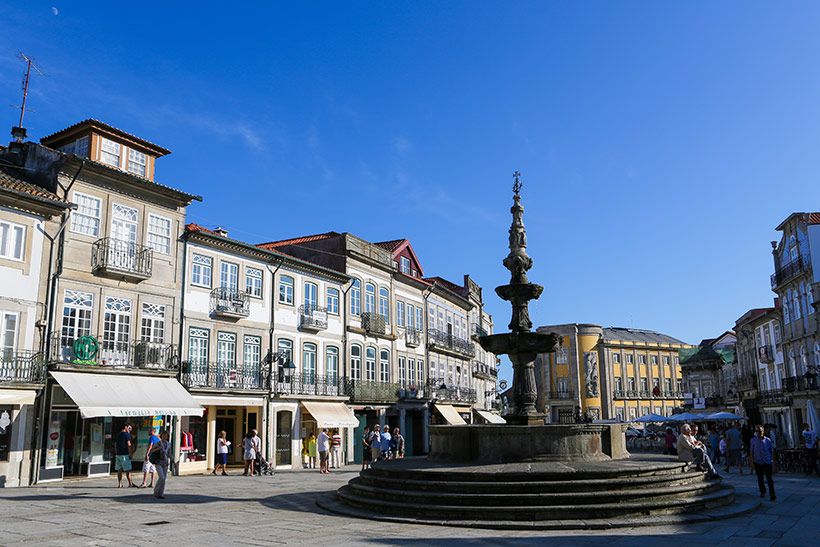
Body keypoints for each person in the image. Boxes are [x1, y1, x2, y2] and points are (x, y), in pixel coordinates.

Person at [750, 425, 776, 502]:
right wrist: (751, 461)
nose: (759, 433)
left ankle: (772, 494)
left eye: (760, 431)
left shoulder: (768, 440)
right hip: (758, 462)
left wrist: (773, 462)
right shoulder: (753, 440)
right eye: (757, 431)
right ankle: (762, 491)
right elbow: (751, 451)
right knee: (760, 478)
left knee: (769, 479)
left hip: (767, 461)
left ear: (763, 432)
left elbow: (772, 451)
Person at [148, 430, 171, 499]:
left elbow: (169, 453)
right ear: (161, 436)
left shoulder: (169, 444)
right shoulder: (158, 443)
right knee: (162, 477)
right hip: (158, 462)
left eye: (166, 436)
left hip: (165, 462)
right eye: (163, 435)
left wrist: (172, 460)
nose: (165, 437)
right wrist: (159, 448)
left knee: (164, 479)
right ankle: (156, 491)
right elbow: (152, 451)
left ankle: (161, 493)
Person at [114, 423, 135, 488]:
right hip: (125, 454)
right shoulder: (127, 435)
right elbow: (129, 444)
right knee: (127, 470)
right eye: (128, 427)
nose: (129, 429)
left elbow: (115, 444)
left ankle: (120, 484)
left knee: (119, 470)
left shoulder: (118, 435)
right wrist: (130, 453)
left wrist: (116, 451)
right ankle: (130, 483)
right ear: (125, 427)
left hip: (118, 454)